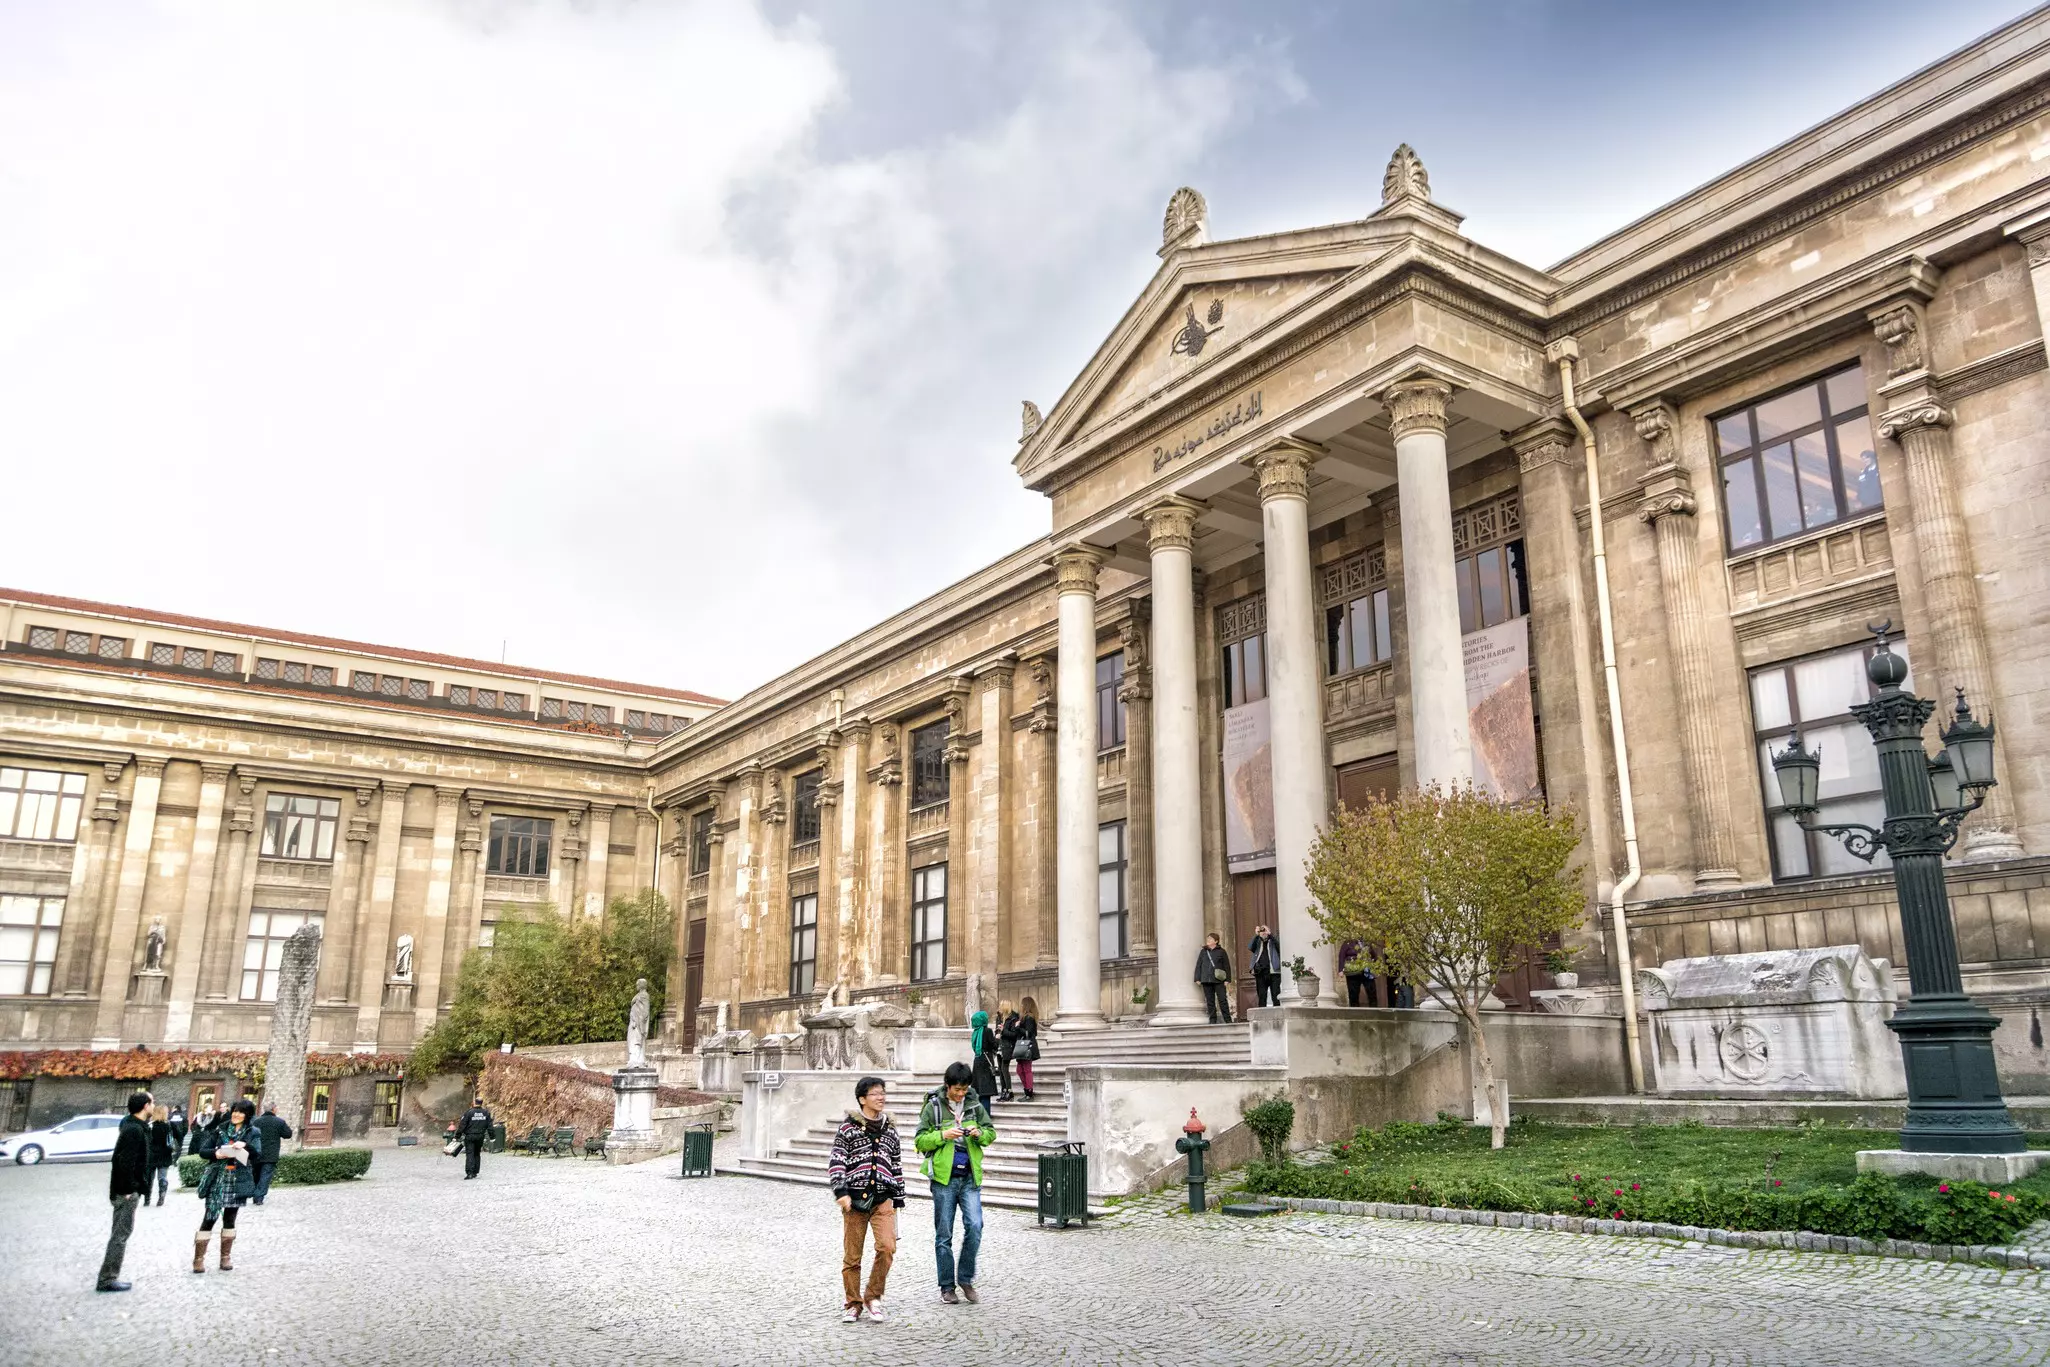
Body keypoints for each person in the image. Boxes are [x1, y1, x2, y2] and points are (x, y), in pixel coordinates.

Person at [914, 1061, 995, 1305]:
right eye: (956, 1089)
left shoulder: (974, 1105)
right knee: (944, 1234)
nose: (960, 1094)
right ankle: (947, 1287)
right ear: (947, 1086)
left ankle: (966, 1279)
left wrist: (980, 1133)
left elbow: (991, 1133)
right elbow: (919, 1141)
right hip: (944, 1179)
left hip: (970, 1176)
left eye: (964, 1089)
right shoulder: (934, 1107)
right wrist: (942, 1135)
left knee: (976, 1226)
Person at [828, 1075, 904, 1323]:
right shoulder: (847, 1128)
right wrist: (840, 1191)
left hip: (883, 1199)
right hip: (854, 1200)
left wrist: (899, 1197)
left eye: (882, 1092)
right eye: (874, 1093)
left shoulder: (890, 1130)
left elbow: (896, 1165)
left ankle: (873, 1296)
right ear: (862, 1099)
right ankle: (853, 1303)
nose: (881, 1097)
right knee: (852, 1257)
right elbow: (837, 1161)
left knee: (887, 1247)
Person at [97, 1089, 152, 1292]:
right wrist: (128, 1189)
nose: (153, 1106)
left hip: (126, 1190)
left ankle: (108, 1276)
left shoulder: (133, 1126)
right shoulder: (134, 1130)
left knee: (120, 1234)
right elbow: (124, 1162)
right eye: (151, 1103)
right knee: (120, 1236)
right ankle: (107, 1279)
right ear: (146, 1106)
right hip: (126, 1192)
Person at [193, 1098, 257, 1273]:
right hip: (218, 1179)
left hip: (237, 1180)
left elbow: (257, 1154)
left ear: (248, 1115)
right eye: (235, 1111)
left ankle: (225, 1258)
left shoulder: (252, 1131)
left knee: (230, 1218)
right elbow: (203, 1151)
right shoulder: (220, 1129)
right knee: (209, 1218)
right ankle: (198, 1259)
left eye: (241, 1112)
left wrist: (245, 1145)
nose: (236, 1114)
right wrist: (217, 1153)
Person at [250, 1100, 293, 1204]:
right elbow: (288, 1134)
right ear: (274, 1109)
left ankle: (256, 1194)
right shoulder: (279, 1122)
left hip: (257, 1152)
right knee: (265, 1176)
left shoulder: (256, 1121)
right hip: (271, 1154)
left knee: (256, 1174)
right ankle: (259, 1197)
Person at [1196, 933, 1233, 1023]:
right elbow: (1199, 965)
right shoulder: (1203, 952)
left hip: (1219, 980)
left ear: (1216, 941)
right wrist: (1197, 978)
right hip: (1206, 980)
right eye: (1208, 938)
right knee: (1210, 1001)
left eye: (1211, 939)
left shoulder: (1221, 951)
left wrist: (1227, 979)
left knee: (1222, 1000)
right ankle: (1212, 1020)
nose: (1208, 940)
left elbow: (1227, 966)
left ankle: (1228, 1020)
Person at [969, 1011, 1001, 1115]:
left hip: (977, 1061)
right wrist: (997, 1038)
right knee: (986, 1091)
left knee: (979, 1090)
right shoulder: (987, 1031)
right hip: (986, 1062)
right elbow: (993, 1045)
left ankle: (979, 1114)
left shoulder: (975, 1033)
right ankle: (986, 1115)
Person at [148, 1103, 176, 1207]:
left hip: (152, 1154)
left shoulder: (151, 1126)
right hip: (165, 1154)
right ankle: (162, 1195)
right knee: (162, 1177)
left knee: (149, 1177)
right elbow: (178, 1135)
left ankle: (147, 1198)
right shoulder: (169, 1125)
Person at [1011, 998, 1040, 1101]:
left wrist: (1018, 1027)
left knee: (1026, 1070)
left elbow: (1029, 1033)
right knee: (1020, 1070)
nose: (1021, 1006)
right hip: (1023, 1046)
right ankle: (1027, 1090)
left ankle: (1029, 1092)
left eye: (1022, 1004)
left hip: (1027, 1047)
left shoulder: (1029, 1018)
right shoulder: (1025, 1018)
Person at [456, 1096, 492, 1179]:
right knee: (477, 1153)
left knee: (470, 1154)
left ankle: (469, 1173)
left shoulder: (469, 1112)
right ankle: (475, 1171)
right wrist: (492, 1136)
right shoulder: (486, 1113)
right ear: (481, 1103)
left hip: (470, 1136)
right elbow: (490, 1126)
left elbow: (462, 1125)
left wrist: (457, 1136)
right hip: (480, 1136)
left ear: (474, 1102)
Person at [1249, 924, 1282, 1008]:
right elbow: (1250, 947)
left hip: (1273, 972)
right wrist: (1256, 935)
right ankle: (1261, 1017)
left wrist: (1270, 935)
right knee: (1262, 996)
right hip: (1260, 972)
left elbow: (1280, 947)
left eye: (1265, 931)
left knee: (1276, 995)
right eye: (1262, 931)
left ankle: (1277, 1016)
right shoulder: (1258, 941)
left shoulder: (1272, 941)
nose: (1263, 933)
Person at [1338, 937, 1377, 1009]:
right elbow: (1341, 955)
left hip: (1366, 971)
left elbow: (1374, 955)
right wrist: (1341, 970)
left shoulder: (1367, 943)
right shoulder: (1348, 942)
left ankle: (1375, 1013)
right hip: (1353, 972)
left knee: (1372, 992)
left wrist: (1373, 965)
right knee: (1353, 994)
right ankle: (1354, 1014)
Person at [995, 1001, 1018, 1101]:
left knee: (1005, 1069)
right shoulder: (999, 1017)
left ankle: (1009, 1091)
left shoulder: (1013, 1018)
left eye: (1001, 1006)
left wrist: (1003, 1030)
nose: (999, 1008)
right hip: (999, 1046)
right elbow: (997, 1030)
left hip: (1008, 1046)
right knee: (1000, 1070)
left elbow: (1013, 1034)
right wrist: (997, 1032)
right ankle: (1003, 1091)